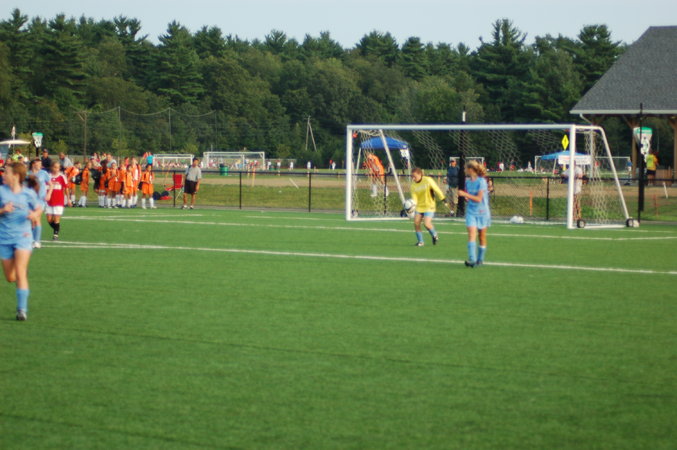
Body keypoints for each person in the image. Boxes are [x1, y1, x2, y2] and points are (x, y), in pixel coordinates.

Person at [0, 162, 42, 320]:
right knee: (10, 277)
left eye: (6, 172)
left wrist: (34, 215)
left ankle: (21, 310)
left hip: (23, 236)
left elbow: (39, 208)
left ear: (16, 176)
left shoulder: (28, 193)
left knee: (20, 271)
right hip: (4, 237)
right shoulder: (1, 191)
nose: (4, 175)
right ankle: (21, 272)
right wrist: (3, 210)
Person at [458, 160, 491, 267]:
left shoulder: (481, 182)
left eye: (465, 168)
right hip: (471, 211)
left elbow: (478, 199)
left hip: (482, 212)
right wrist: (466, 197)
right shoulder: (467, 182)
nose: (464, 170)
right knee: (472, 234)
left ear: (471, 169)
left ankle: (480, 260)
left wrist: (465, 194)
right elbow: (470, 197)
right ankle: (472, 259)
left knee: (481, 236)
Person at [409, 167, 445, 247]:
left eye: (414, 176)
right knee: (416, 223)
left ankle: (434, 235)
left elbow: (436, 189)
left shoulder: (428, 180)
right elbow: (414, 199)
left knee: (427, 224)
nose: (413, 178)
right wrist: (411, 207)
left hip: (429, 205)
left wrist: (443, 198)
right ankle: (421, 242)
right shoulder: (413, 186)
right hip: (419, 206)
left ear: (420, 174)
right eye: (412, 176)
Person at [45, 161, 70, 240]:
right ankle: (57, 228)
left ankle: (55, 234)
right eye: (55, 167)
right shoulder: (47, 176)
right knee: (49, 219)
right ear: (52, 167)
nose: (56, 169)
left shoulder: (62, 177)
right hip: (49, 201)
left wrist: (68, 199)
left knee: (56, 219)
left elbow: (66, 188)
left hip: (59, 200)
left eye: (58, 167)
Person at [28, 159, 50, 247]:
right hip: (30, 200)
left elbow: (51, 184)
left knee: (37, 219)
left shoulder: (43, 173)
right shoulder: (28, 174)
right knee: (31, 220)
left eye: (41, 164)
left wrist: (49, 194)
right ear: (33, 164)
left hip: (40, 200)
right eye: (39, 164)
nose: (40, 165)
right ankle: (31, 240)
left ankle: (37, 241)